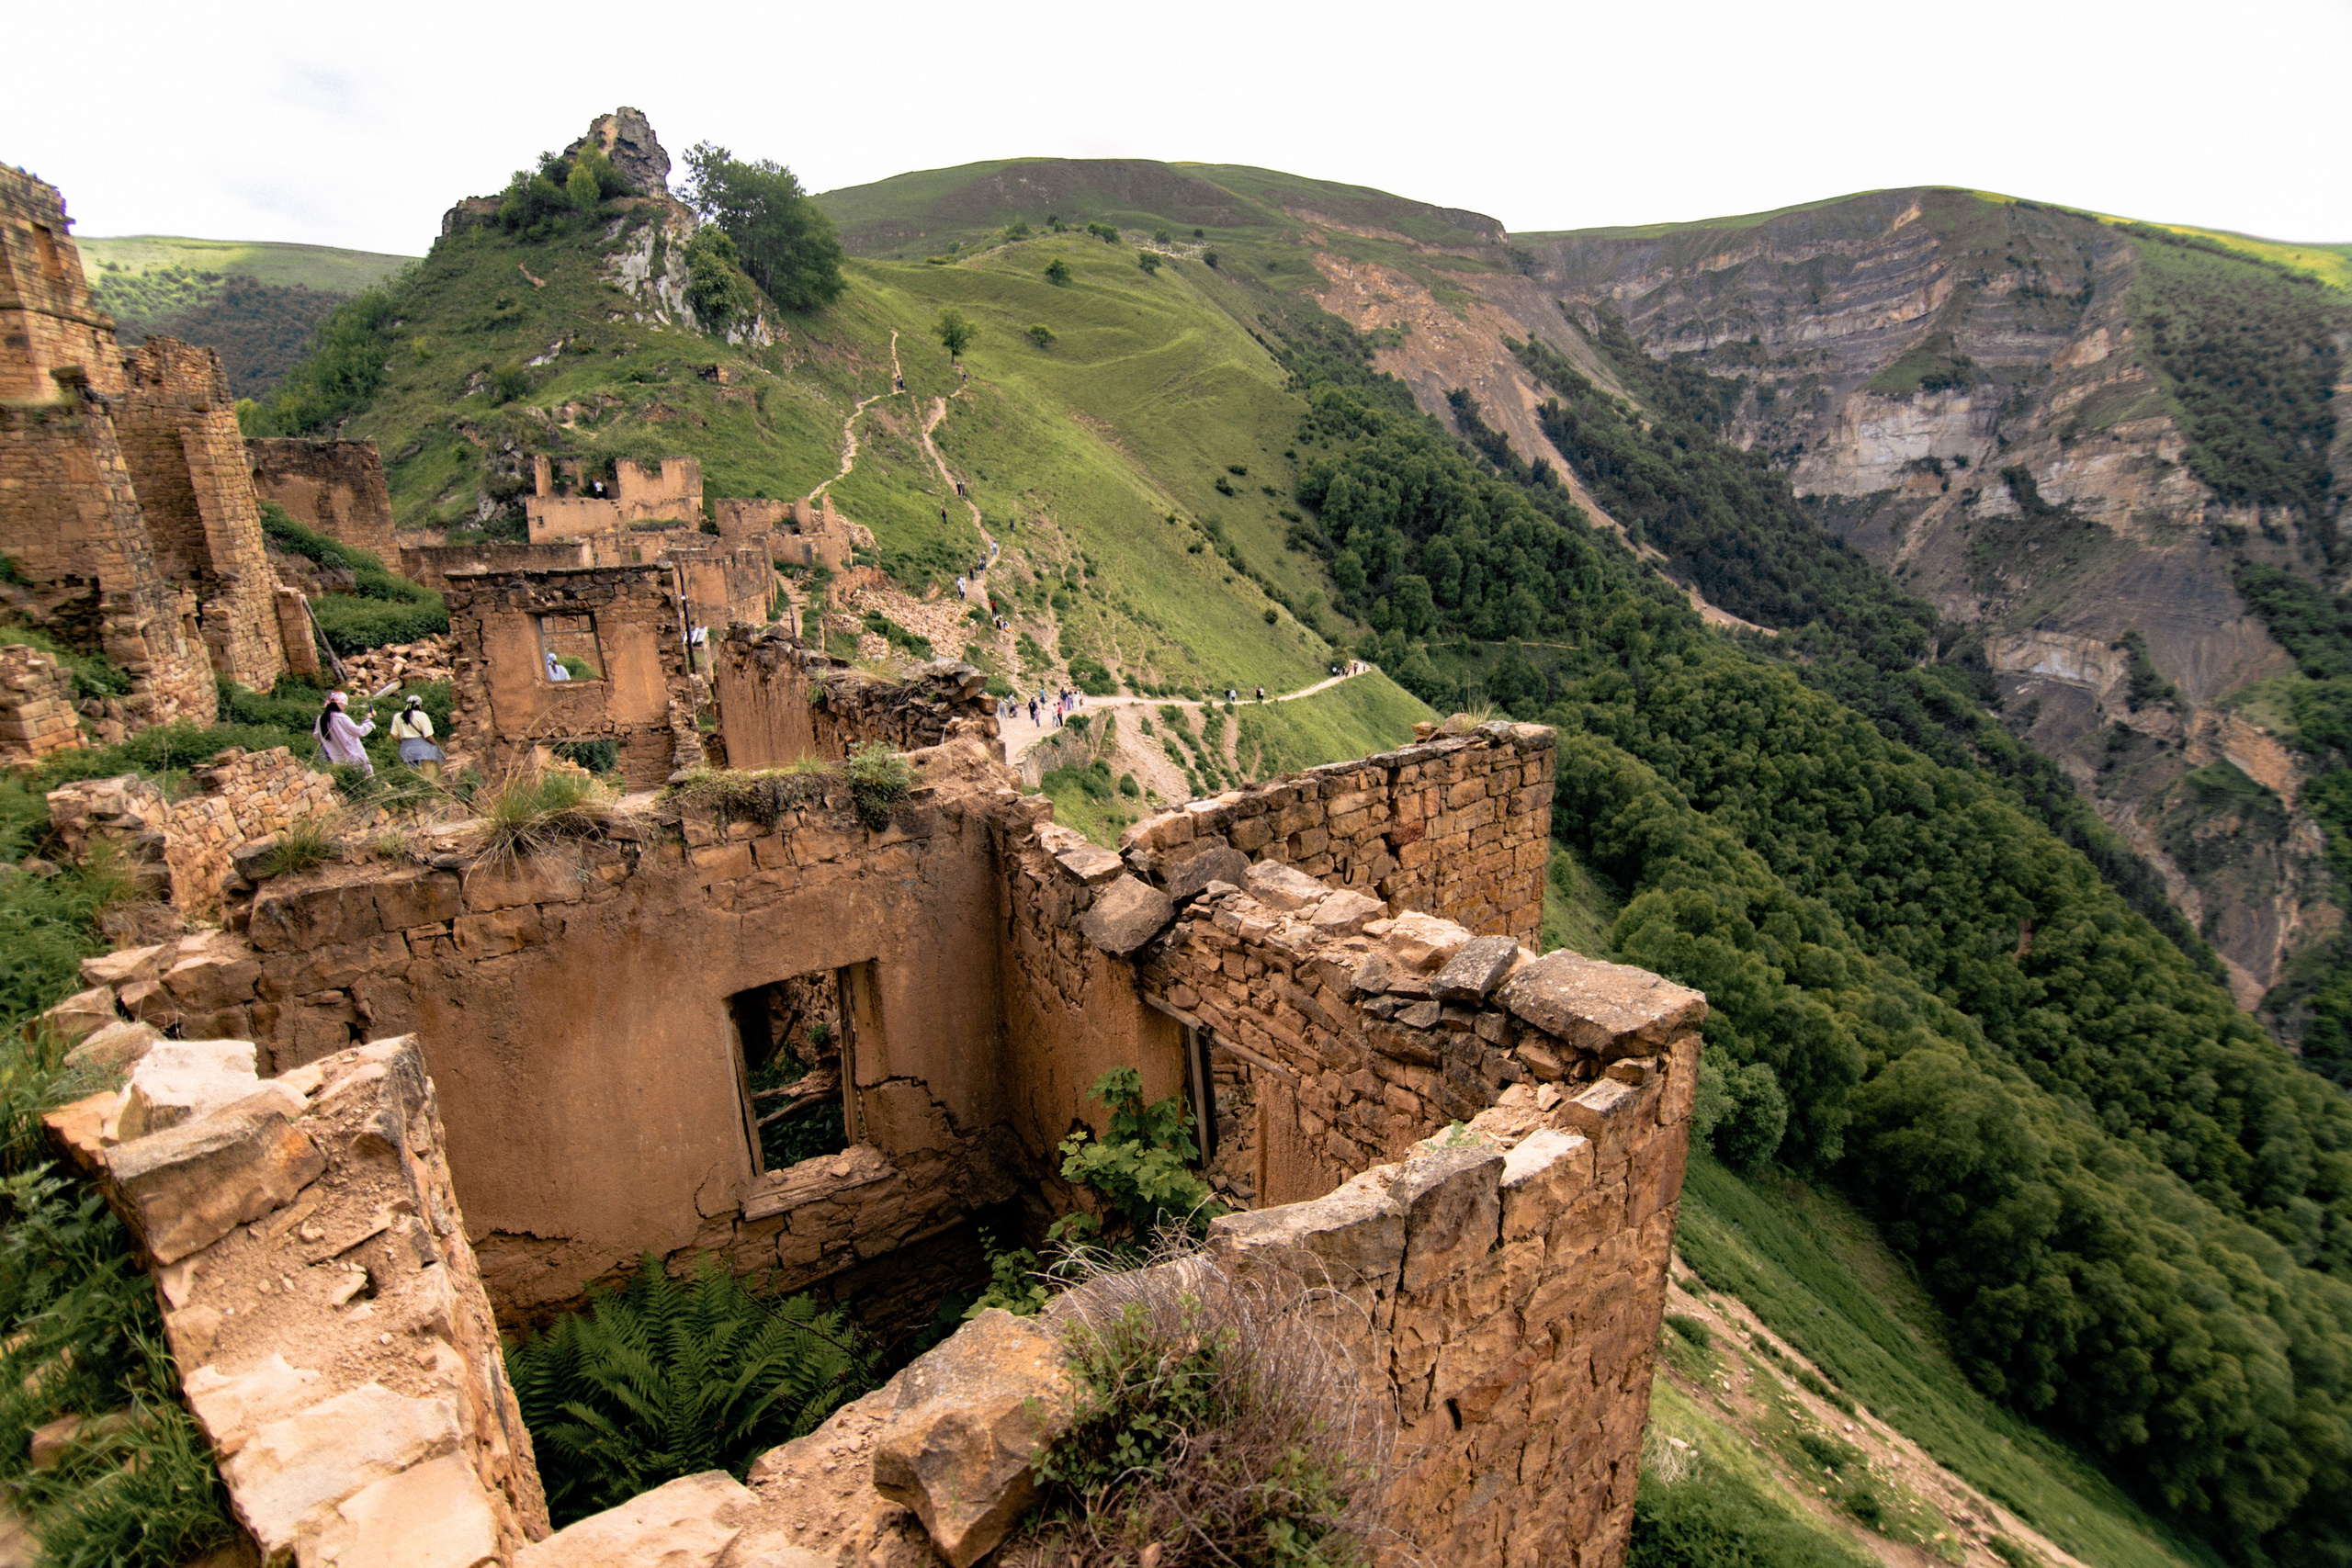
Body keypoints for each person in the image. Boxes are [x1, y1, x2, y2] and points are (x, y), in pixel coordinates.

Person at [314, 691, 375, 775]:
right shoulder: (342, 717)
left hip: (335, 759)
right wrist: (369, 719)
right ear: (339, 704)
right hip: (352, 756)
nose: (345, 706)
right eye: (345, 704)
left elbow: (317, 736)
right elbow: (360, 731)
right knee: (363, 776)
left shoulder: (320, 719)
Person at [390, 694, 444, 780]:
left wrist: (403, 742)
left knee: (414, 777)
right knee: (430, 776)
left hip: (406, 749)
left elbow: (393, 734)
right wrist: (436, 744)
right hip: (424, 750)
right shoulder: (421, 715)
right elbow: (428, 735)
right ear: (419, 705)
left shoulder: (397, 716)